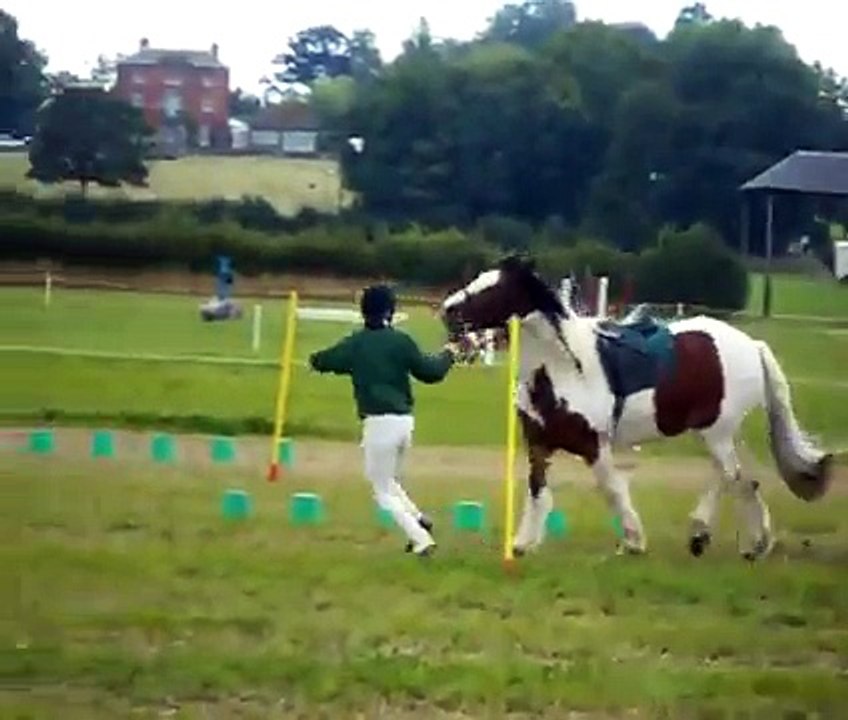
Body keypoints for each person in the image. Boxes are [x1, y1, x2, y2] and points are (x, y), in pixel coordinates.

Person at [309, 284, 459, 557]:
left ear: (363, 310)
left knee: (381, 491)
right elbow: (431, 372)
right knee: (389, 480)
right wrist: (450, 353)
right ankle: (419, 519)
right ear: (391, 310)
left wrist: (315, 360)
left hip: (378, 424)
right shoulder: (401, 341)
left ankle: (421, 538)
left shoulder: (356, 342)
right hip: (405, 422)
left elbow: (324, 361)